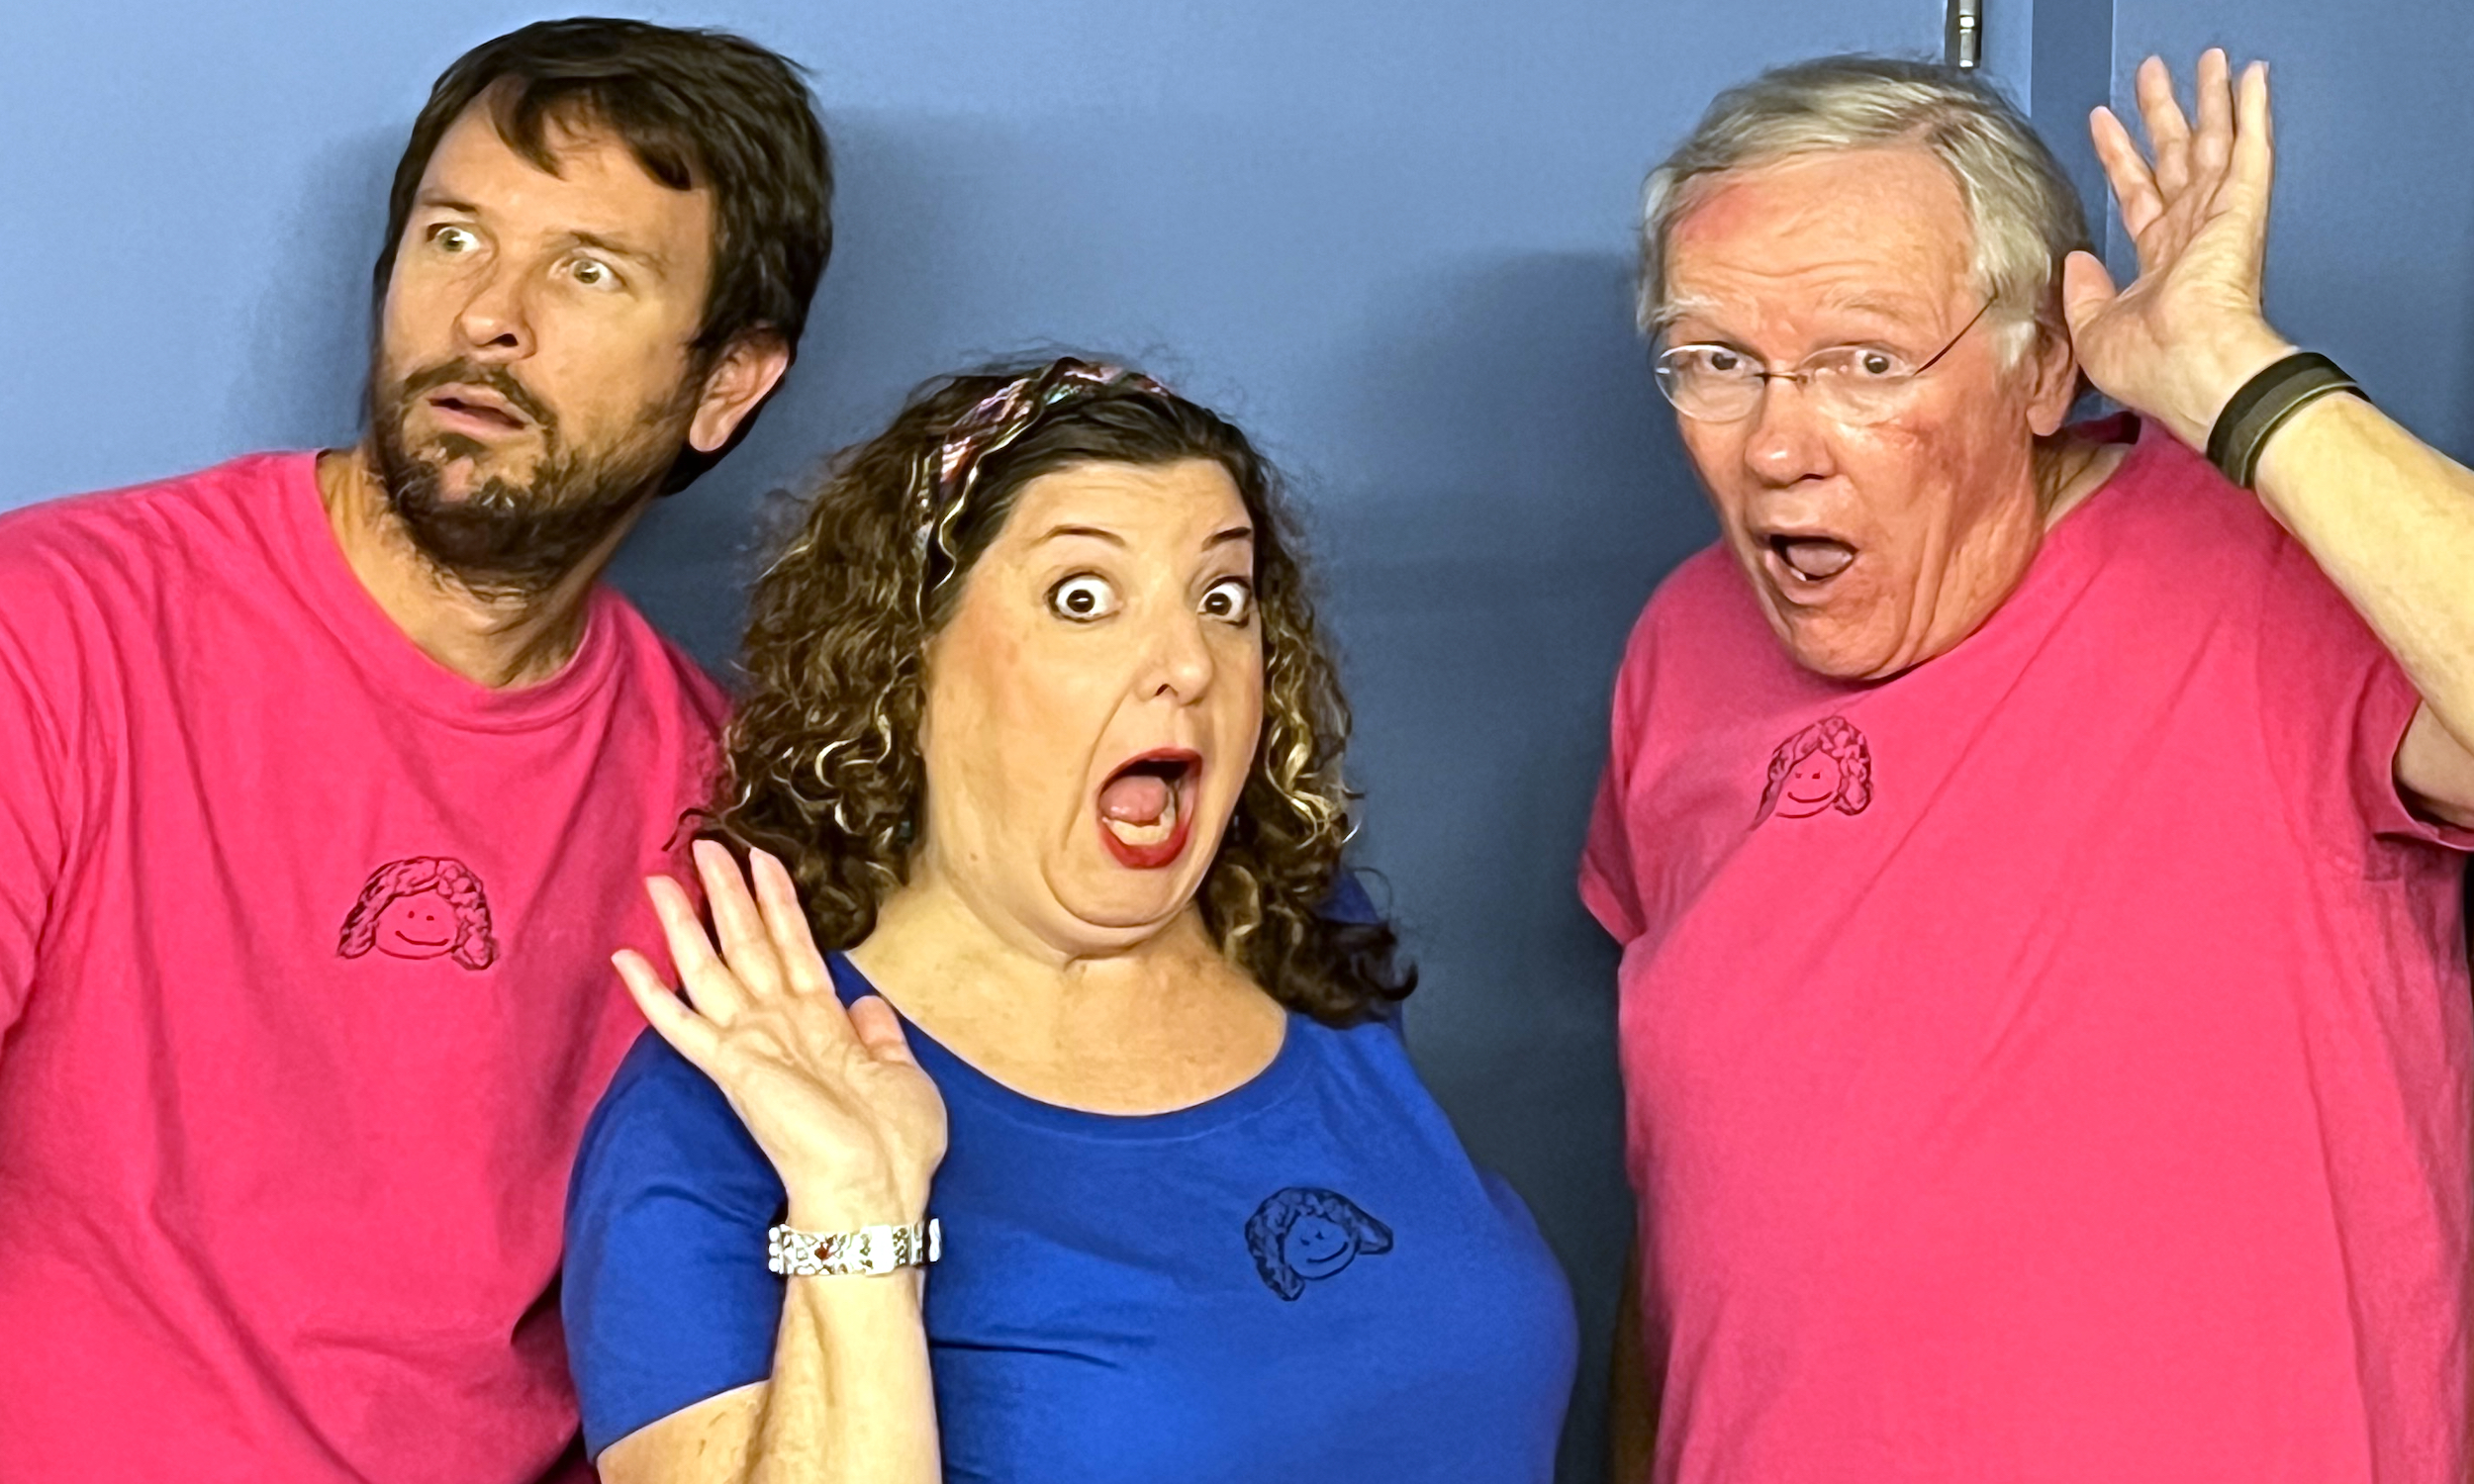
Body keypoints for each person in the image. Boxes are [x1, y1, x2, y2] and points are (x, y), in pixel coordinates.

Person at [1587, 50, 2474, 1483]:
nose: (1776, 445)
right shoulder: (1682, 647)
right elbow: (1695, 1208)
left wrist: (2237, 383)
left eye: (1867, 362)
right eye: (1716, 363)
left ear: (2043, 364)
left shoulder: (2287, 577)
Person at [0, 19, 831, 1481]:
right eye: (454, 237)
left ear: (726, 385)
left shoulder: (729, 810)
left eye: (590, 270)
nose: (488, 318)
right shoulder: (54, 632)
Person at [561, 357, 1580, 1482]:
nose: (1187, 663)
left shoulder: (1297, 936)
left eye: (1223, 597)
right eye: (1083, 598)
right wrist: (858, 1211)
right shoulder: (715, 1116)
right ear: (910, 664)